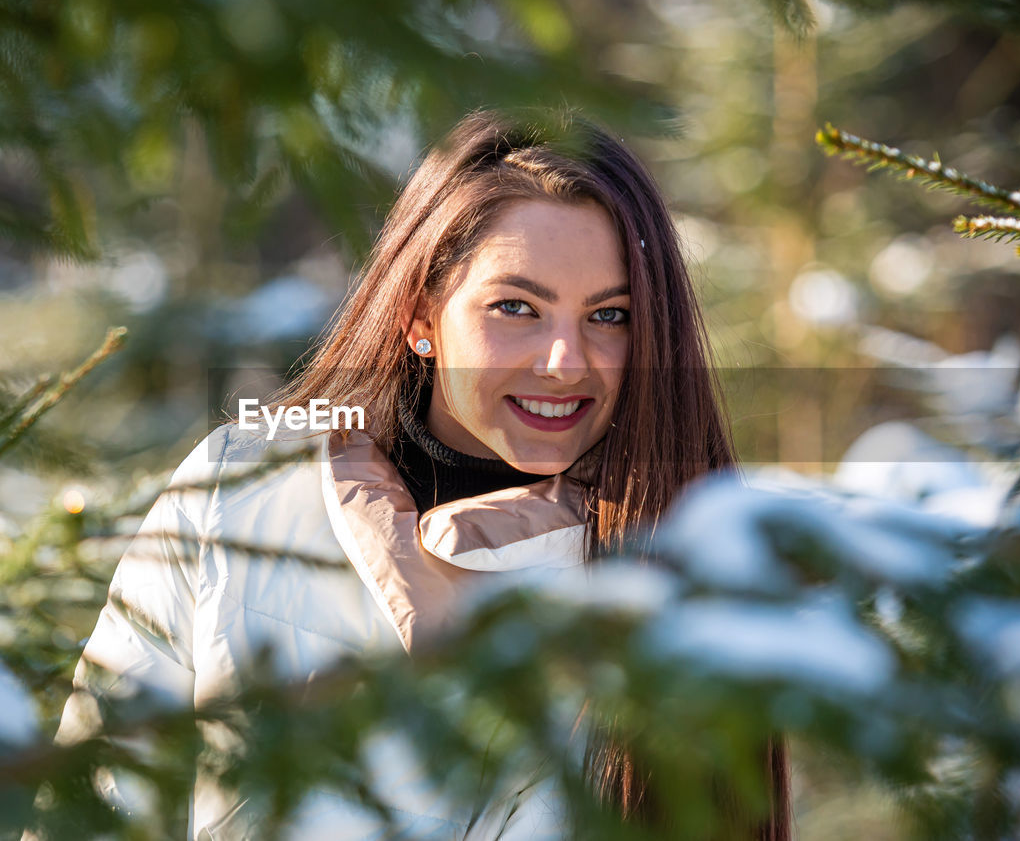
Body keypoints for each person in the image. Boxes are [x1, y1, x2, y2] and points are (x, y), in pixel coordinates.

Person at [52, 108, 793, 839]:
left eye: (610, 316)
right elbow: (96, 799)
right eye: (516, 307)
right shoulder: (237, 489)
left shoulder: (684, 563)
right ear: (420, 314)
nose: (566, 361)